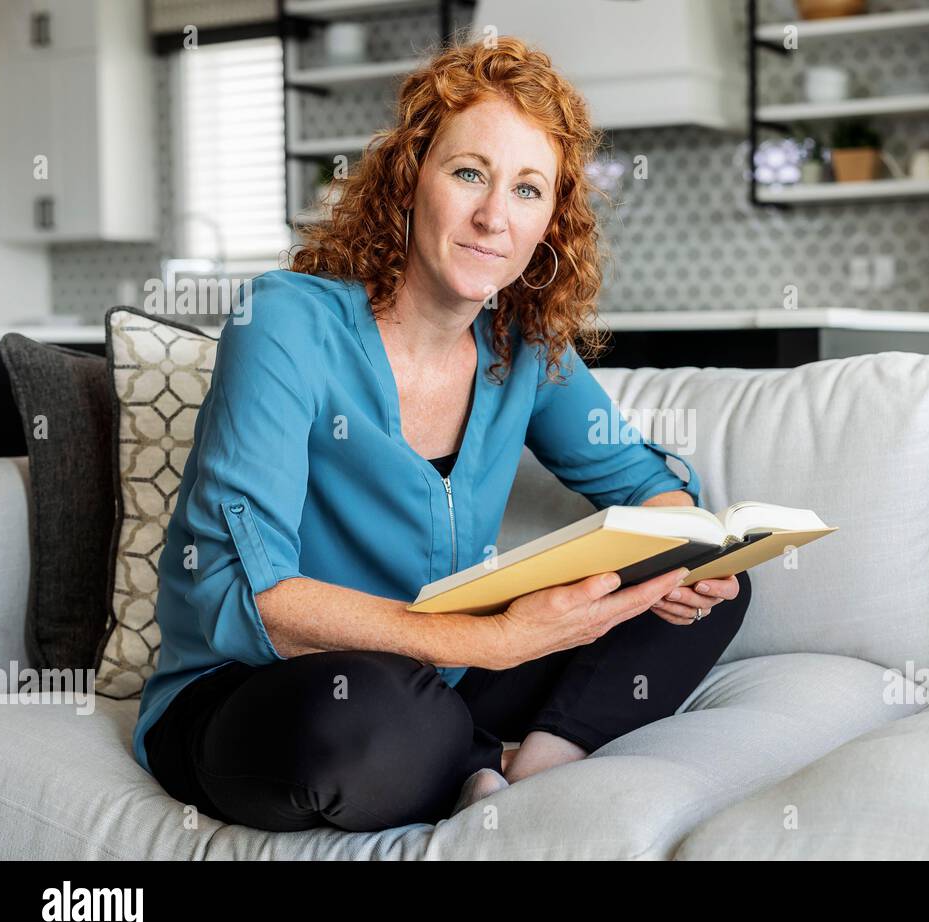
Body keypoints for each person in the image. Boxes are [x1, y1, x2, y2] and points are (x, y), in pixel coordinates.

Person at [131, 35, 753, 832]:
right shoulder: (284, 320)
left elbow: (640, 480)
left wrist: (686, 546)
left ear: (549, 229)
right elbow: (247, 595)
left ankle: (526, 767)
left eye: (529, 191)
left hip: (446, 673)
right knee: (368, 725)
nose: (495, 215)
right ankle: (468, 756)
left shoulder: (522, 346)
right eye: (470, 174)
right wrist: (493, 641)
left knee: (716, 589)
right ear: (409, 180)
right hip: (264, 684)